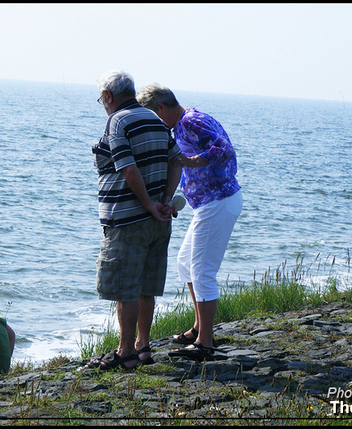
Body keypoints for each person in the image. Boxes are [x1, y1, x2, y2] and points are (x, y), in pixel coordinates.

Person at [137, 83, 243, 361]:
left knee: (202, 271)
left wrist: (190, 161)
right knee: (186, 263)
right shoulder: (183, 124)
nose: (153, 122)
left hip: (218, 200)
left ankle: (206, 343)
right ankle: (199, 329)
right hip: (211, 202)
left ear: (160, 108)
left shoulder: (190, 121)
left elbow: (225, 149)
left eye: (152, 115)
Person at [91, 70, 182, 370]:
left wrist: (148, 205)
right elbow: (176, 160)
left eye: (101, 98)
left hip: (128, 220)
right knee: (146, 286)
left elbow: (129, 170)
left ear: (107, 96)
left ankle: (125, 351)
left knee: (125, 288)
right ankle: (143, 345)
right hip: (159, 221)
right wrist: (164, 202)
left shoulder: (117, 121)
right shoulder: (156, 119)